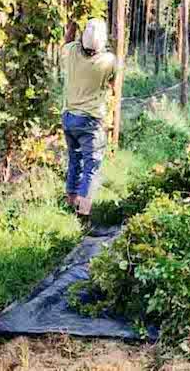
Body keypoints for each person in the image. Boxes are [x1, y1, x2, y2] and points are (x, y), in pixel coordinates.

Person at [61, 18, 119, 226]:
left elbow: (67, 40)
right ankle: (83, 214)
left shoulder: (71, 53)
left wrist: (73, 26)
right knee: (92, 165)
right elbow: (113, 84)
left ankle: (71, 201)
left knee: (75, 160)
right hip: (91, 121)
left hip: (69, 117)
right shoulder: (108, 61)